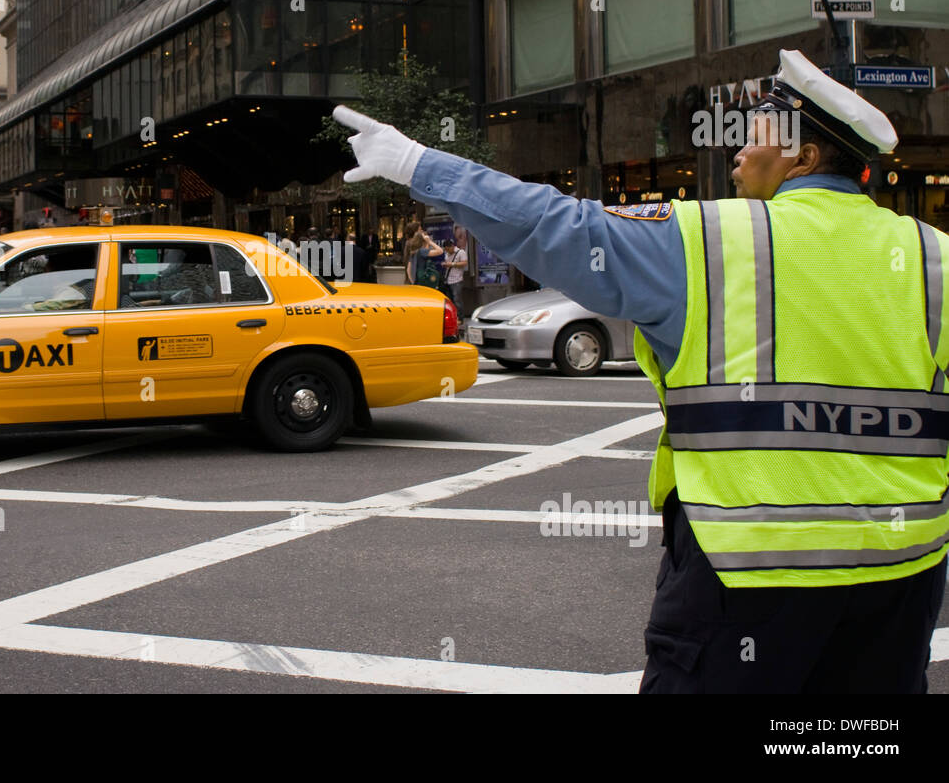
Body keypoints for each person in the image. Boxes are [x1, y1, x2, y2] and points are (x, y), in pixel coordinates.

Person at [334, 49, 948, 694]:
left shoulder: (709, 238)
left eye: (756, 135)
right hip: (902, 578)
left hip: (745, 577)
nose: (736, 152)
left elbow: (555, 224)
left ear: (805, 157)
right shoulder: (932, 257)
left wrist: (416, 163)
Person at [403, 221, 444, 287]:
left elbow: (408, 268)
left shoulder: (414, 249)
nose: (422, 231)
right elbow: (439, 251)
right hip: (420, 275)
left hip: (414, 275)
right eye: (420, 229)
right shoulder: (413, 245)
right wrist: (429, 241)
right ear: (415, 231)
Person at [440, 237, 467, 305]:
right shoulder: (447, 254)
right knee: (449, 301)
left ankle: (460, 315)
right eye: (446, 250)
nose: (447, 251)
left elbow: (464, 263)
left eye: (448, 249)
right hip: (448, 280)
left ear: (452, 246)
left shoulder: (461, 252)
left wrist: (451, 264)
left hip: (457, 280)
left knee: (457, 300)